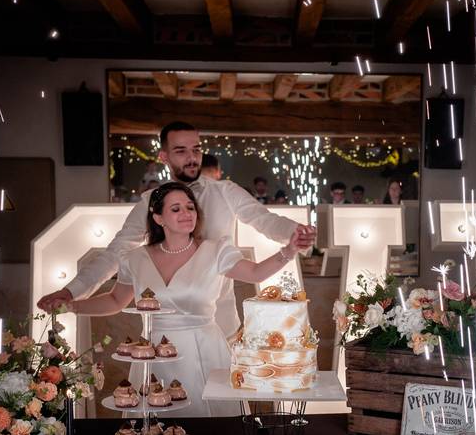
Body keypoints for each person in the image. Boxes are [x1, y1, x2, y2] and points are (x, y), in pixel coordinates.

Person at [37, 121, 316, 336]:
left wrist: (294, 233)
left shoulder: (225, 191)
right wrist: (72, 292)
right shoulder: (150, 203)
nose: (191, 157)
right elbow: (116, 253)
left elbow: (263, 219)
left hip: (222, 326)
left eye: (196, 149)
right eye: (181, 151)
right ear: (164, 156)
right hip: (167, 333)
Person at [69, 182, 302, 417]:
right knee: (156, 428)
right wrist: (71, 306)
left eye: (190, 207)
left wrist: (289, 251)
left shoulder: (215, 251)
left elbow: (255, 273)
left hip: (206, 351)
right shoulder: (135, 259)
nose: (186, 214)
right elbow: (115, 300)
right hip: (153, 354)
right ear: (158, 218)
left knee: (212, 427)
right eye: (176, 209)